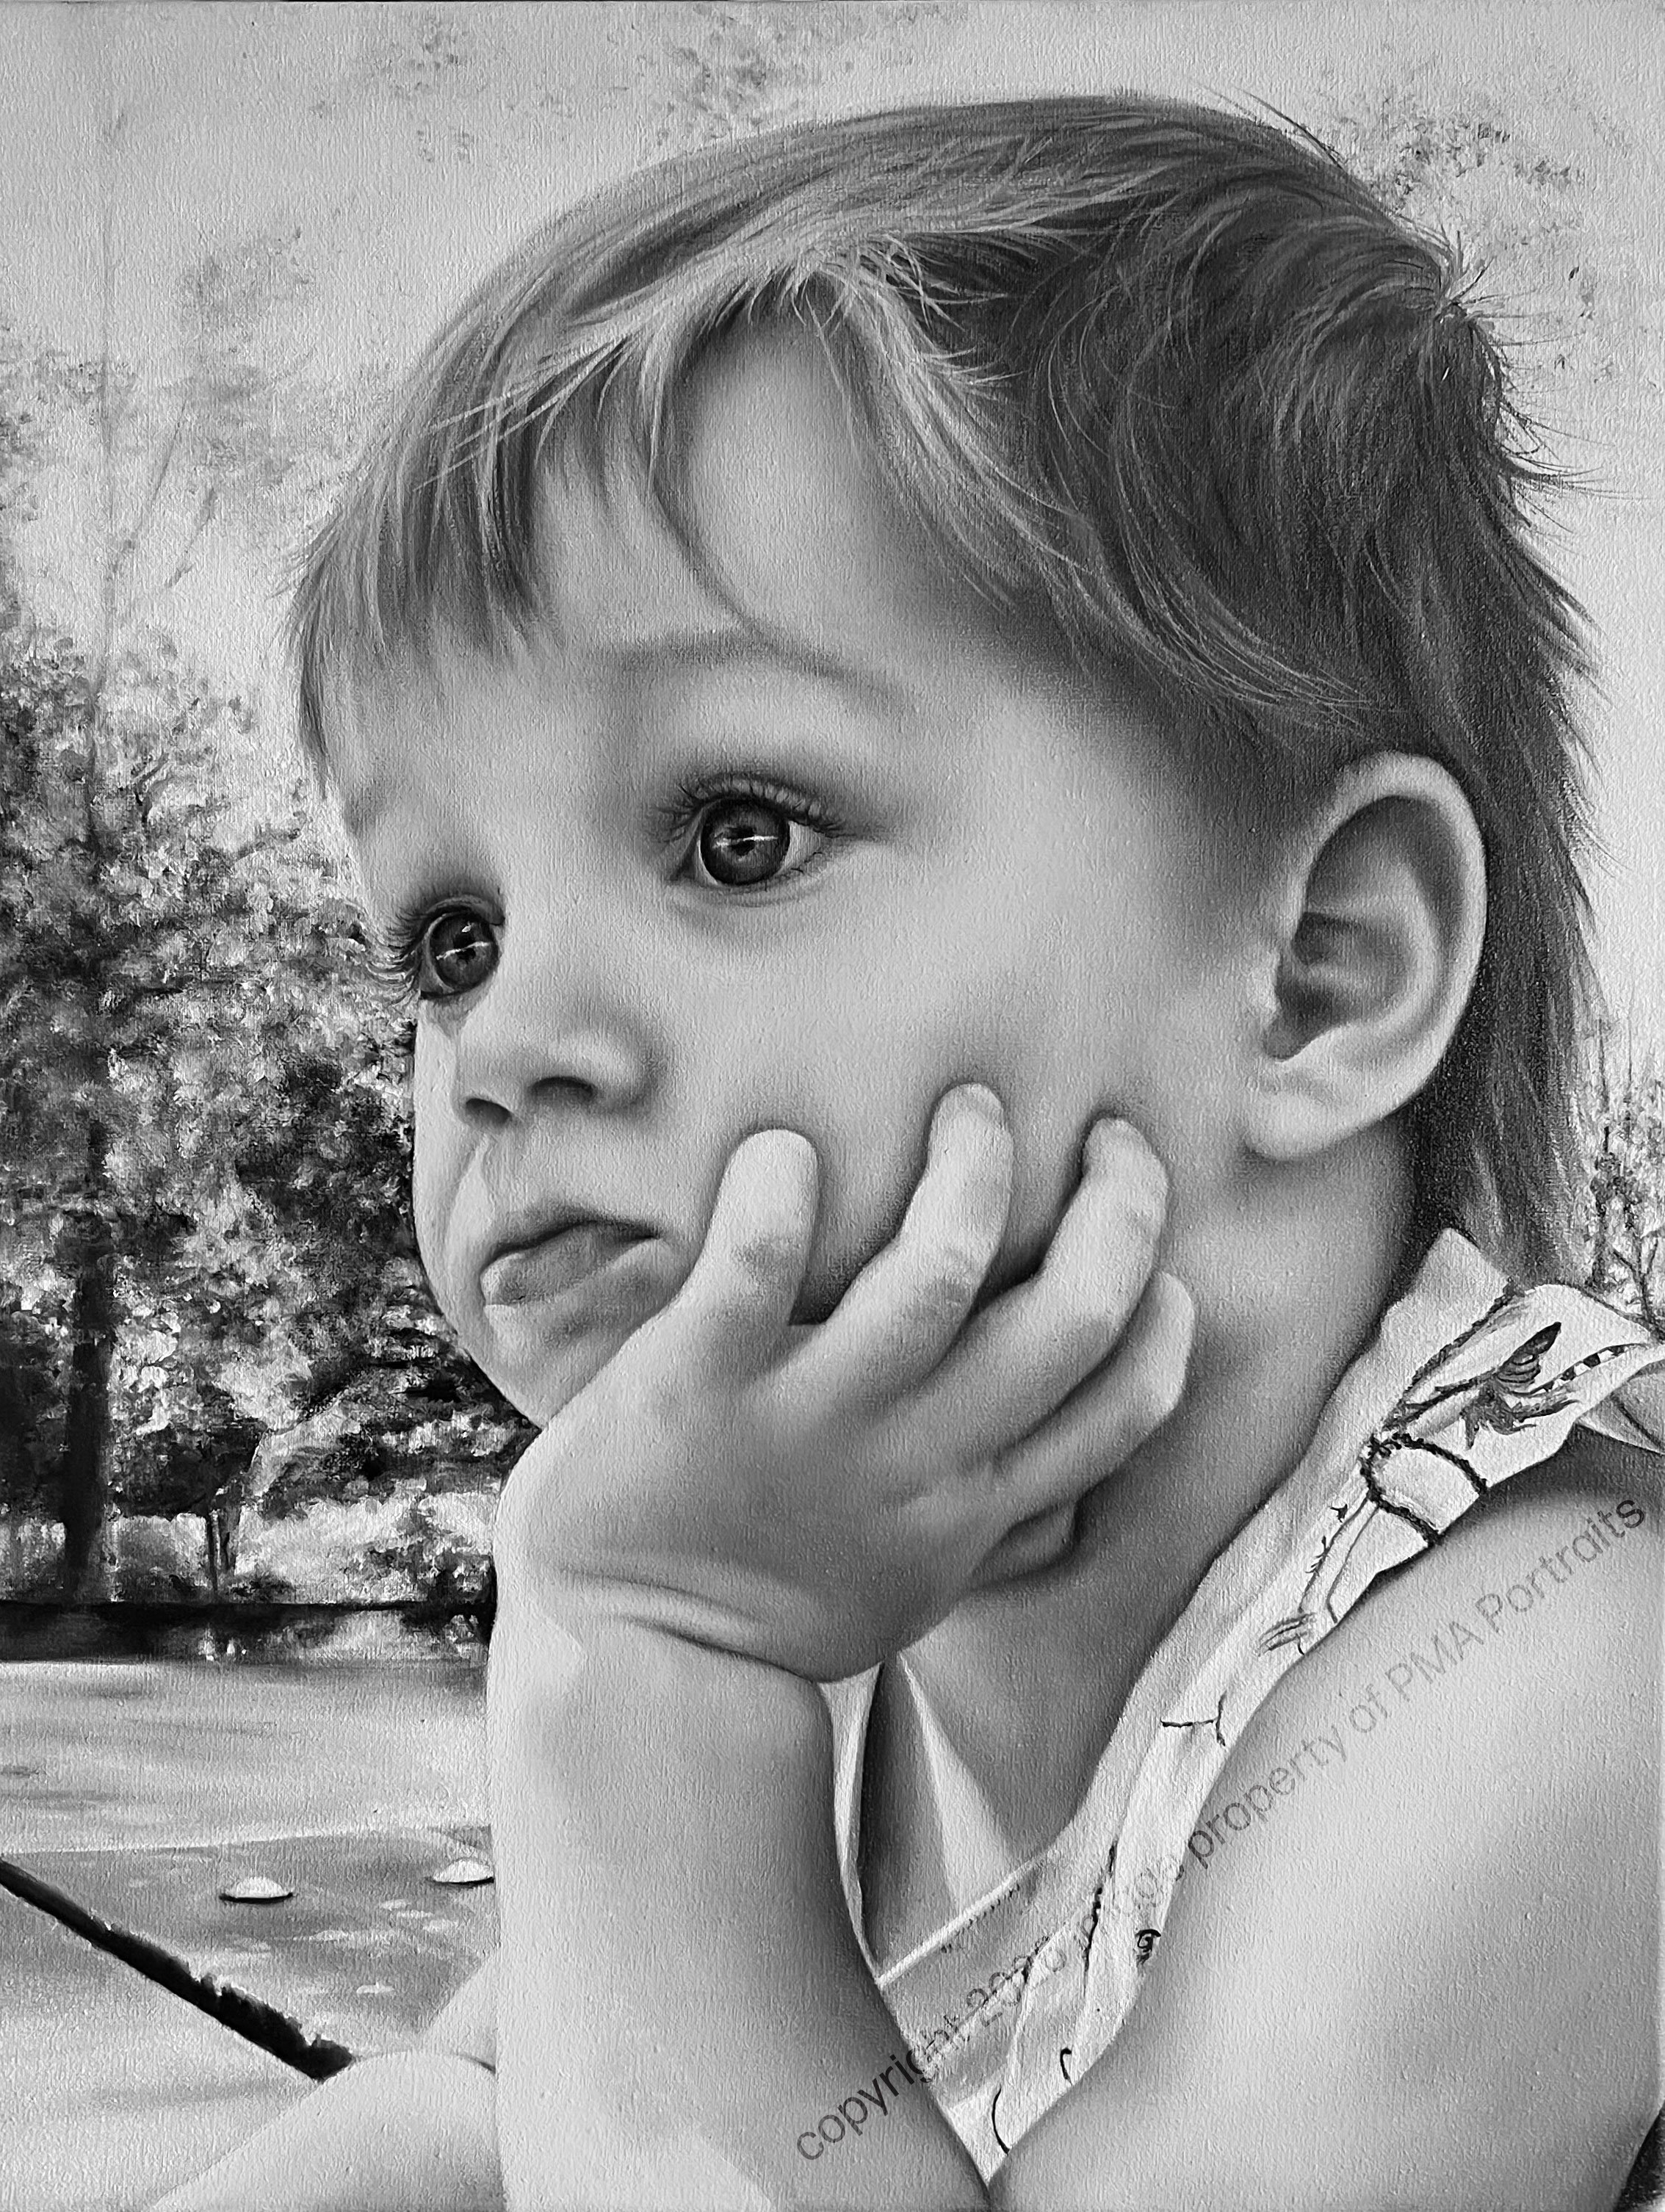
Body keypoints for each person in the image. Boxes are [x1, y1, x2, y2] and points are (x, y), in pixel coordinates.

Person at [149, 95, 1665, 2212]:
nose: (504, 1044)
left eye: (736, 831)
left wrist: (641, 1671)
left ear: (1316, 973)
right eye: (451, 935)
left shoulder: (1552, 1677)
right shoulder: (837, 1598)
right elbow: (515, 2109)